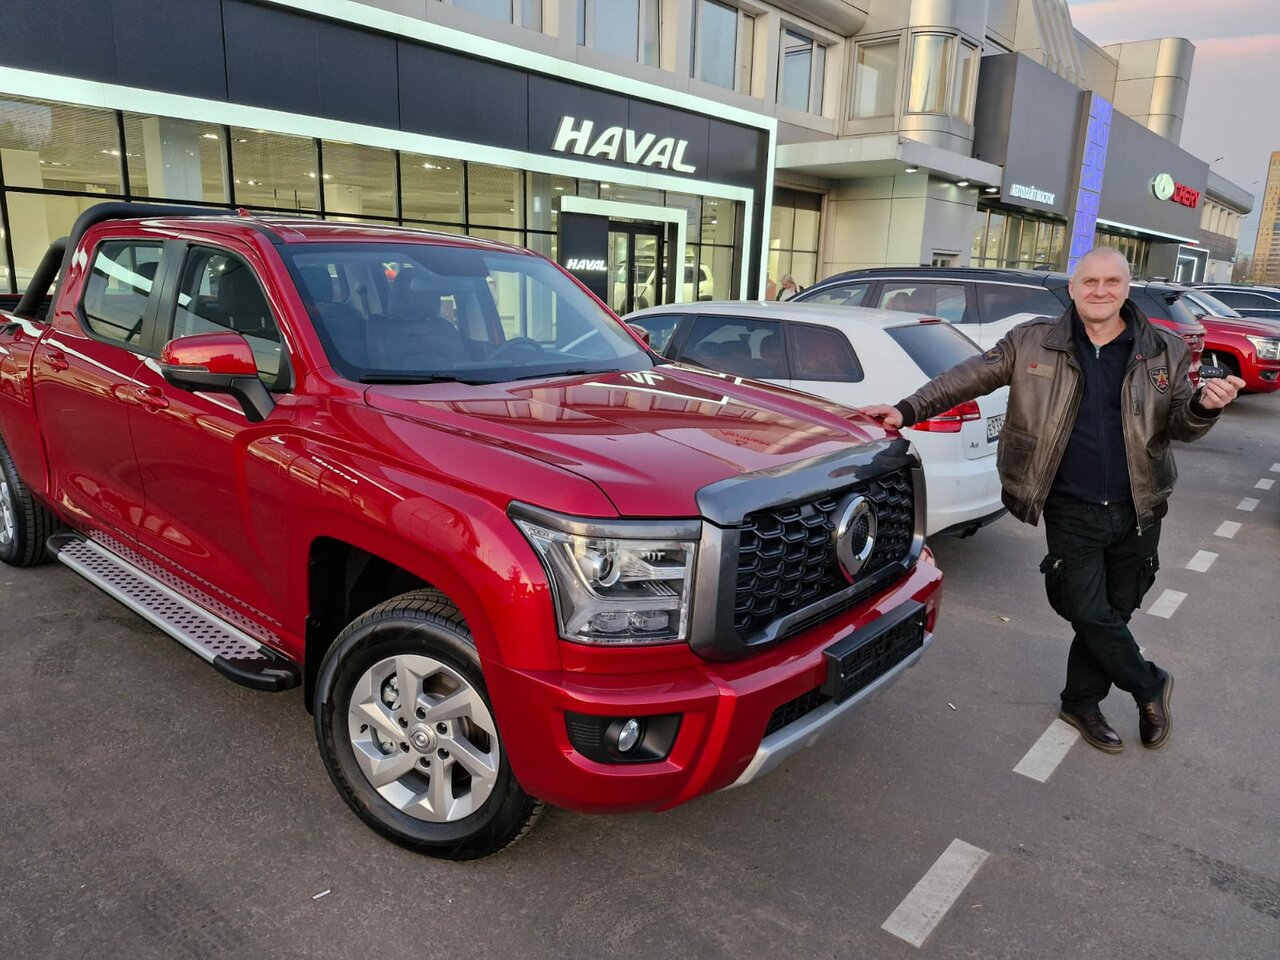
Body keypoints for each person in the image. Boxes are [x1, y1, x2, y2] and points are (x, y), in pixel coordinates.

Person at [858, 247, 1244, 754]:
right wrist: (907, 409)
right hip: (1070, 505)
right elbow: (967, 377)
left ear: (1127, 287)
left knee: (1115, 610)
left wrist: (1202, 408)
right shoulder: (1032, 341)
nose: (1100, 291)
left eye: (1111, 281)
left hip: (1140, 505)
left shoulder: (1162, 348)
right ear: (1074, 288)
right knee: (1085, 607)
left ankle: (1080, 702)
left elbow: (1179, 425)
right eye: (1090, 282)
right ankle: (1148, 684)